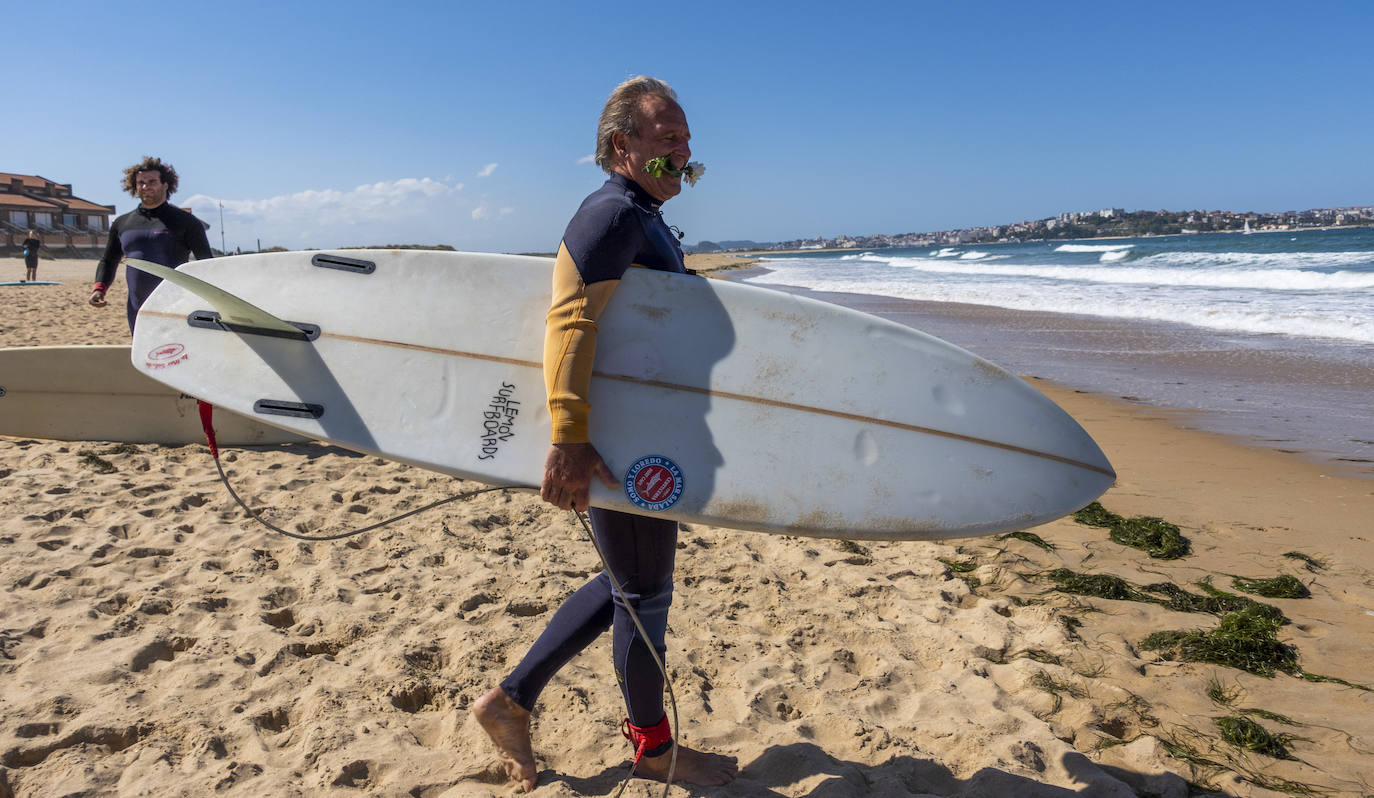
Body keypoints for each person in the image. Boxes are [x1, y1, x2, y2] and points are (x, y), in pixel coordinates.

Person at [473, 77, 738, 792]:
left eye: (685, 139)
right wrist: (568, 436)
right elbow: (571, 322)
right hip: (614, 435)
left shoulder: (641, 214)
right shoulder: (615, 213)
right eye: (667, 139)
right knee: (644, 592)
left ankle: (511, 700)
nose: (683, 152)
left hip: (637, 428)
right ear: (623, 145)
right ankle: (651, 752)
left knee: (635, 585)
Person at [90, 156, 213, 331]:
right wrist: (99, 289)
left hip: (177, 305)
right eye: (140, 182)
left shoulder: (185, 221)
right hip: (137, 307)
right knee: (143, 356)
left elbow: (206, 262)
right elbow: (109, 260)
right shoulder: (122, 223)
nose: (145, 186)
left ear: (165, 185)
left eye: (152, 181)